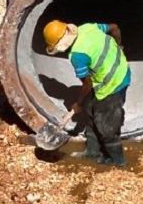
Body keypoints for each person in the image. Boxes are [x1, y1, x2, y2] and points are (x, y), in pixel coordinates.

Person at [42, 19, 130, 167]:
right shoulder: (88, 28)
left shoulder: (77, 55)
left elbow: (87, 85)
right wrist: (119, 46)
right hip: (120, 68)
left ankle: (119, 162)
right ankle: (92, 152)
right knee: (91, 112)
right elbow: (115, 27)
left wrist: (78, 103)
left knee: (106, 126)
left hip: (113, 84)